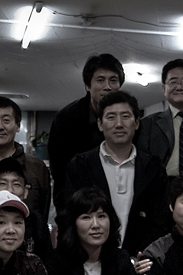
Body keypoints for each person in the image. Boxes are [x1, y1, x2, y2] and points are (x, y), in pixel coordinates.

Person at [62, 90, 167, 256]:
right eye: (111, 117)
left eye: (125, 116)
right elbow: (69, 215)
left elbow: (160, 219)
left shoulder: (153, 167)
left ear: (137, 122)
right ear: (100, 124)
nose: (119, 124)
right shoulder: (80, 165)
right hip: (90, 259)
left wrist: (142, 255)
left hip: (141, 259)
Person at [48, 53, 124, 209]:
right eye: (100, 80)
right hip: (76, 202)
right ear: (87, 86)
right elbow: (59, 172)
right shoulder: (66, 119)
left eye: (113, 80)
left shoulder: (127, 117)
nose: (107, 87)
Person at [48, 188, 137, 275]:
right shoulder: (57, 262)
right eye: (86, 217)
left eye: (101, 216)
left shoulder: (121, 260)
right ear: (73, 223)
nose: (96, 225)